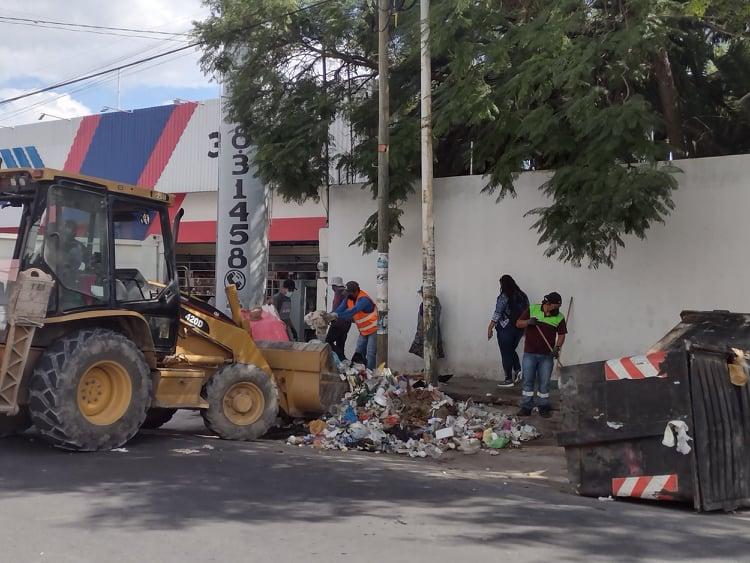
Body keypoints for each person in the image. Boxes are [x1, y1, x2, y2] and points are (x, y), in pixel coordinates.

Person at [515, 291, 567, 418]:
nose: (556, 309)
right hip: (530, 354)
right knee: (528, 381)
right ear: (547, 303)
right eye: (554, 306)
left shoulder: (559, 317)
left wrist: (557, 347)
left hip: (547, 356)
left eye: (558, 307)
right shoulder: (532, 309)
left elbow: (561, 334)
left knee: (544, 383)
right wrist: (528, 322)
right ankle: (527, 406)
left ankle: (543, 406)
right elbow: (518, 323)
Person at [487, 275, 529, 388]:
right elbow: (527, 311)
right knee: (510, 350)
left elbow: (498, 312)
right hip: (519, 328)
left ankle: (508, 379)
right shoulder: (522, 296)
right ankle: (518, 370)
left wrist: (490, 327)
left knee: (506, 353)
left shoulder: (504, 296)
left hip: (506, 328)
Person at [333, 281, 378, 369]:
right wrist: (331, 315)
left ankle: (370, 372)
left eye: (349, 292)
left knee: (370, 353)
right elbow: (340, 309)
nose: (347, 295)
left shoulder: (364, 299)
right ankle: (359, 371)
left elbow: (353, 311)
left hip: (373, 329)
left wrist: (337, 315)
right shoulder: (348, 298)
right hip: (363, 330)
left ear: (355, 291)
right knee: (359, 351)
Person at [409, 287, 445, 360]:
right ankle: (427, 366)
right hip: (425, 328)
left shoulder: (432, 302)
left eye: (422, 293)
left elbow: (431, 316)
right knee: (427, 348)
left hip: (428, 329)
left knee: (430, 347)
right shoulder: (428, 302)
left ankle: (430, 367)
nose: (421, 295)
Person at [325, 276, 351, 361]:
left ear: (335, 286)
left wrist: (327, 316)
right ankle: (343, 363)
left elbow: (336, 309)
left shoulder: (338, 293)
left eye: (332, 286)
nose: (332, 287)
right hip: (346, 323)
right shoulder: (346, 293)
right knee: (340, 344)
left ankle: (341, 357)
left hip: (338, 323)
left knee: (328, 342)